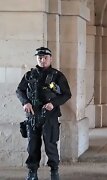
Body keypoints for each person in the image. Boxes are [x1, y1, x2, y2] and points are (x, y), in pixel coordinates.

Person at [16, 47, 72, 180]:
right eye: (40, 58)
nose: (42, 60)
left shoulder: (57, 76)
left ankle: (54, 172)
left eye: (45, 57)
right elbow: (19, 90)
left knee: (50, 145)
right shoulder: (29, 75)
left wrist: (54, 103)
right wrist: (25, 102)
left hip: (49, 116)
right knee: (32, 146)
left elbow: (66, 94)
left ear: (50, 58)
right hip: (32, 116)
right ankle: (32, 172)